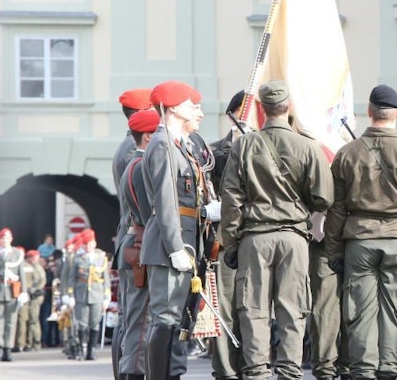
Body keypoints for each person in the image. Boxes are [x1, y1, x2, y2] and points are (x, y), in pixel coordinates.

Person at [323, 84, 397, 380]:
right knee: (396, 309)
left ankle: (364, 369)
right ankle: (389, 368)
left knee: (360, 311)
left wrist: (333, 251)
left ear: (369, 112)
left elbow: (336, 210)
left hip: (359, 241)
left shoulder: (347, 154)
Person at [221, 80, 335, 380]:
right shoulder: (308, 146)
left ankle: (257, 373)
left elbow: (231, 199)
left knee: (254, 311)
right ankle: (289, 372)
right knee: (292, 310)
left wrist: (230, 244)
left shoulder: (244, 145)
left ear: (262, 108)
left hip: (254, 237)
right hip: (294, 237)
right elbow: (324, 197)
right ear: (290, 107)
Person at [141, 80, 206, 380]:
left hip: (182, 241)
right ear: (174, 107)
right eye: (191, 105)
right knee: (166, 320)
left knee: (178, 321)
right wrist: (175, 246)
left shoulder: (178, 144)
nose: (196, 110)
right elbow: (165, 201)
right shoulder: (163, 144)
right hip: (172, 246)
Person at [115, 108, 160, 379]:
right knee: (141, 322)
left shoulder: (134, 163)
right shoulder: (141, 166)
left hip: (135, 244)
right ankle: (131, 372)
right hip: (141, 245)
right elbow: (149, 215)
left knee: (136, 320)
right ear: (147, 136)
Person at [208, 90, 246, 380]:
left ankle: (253, 367)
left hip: (258, 238)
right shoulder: (213, 153)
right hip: (224, 242)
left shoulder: (271, 148)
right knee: (225, 308)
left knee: (253, 309)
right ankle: (226, 370)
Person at [65, 229, 111, 361]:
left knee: (94, 323)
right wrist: (70, 295)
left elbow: (105, 278)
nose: (89, 246)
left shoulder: (101, 257)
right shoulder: (78, 258)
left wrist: (107, 297)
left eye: (91, 243)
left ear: (95, 243)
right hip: (81, 294)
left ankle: (92, 350)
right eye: (86, 244)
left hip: (97, 294)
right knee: (82, 323)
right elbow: (72, 278)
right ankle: (80, 349)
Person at [0, 228, 27, 362]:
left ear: (11, 239)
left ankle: (8, 349)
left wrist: (24, 292)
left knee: (11, 321)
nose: (5, 240)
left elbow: (21, 273)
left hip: (13, 290)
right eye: (2, 238)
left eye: (7, 238)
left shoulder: (17, 254)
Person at [16, 250, 46, 351]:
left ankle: (32, 342)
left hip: (34, 295)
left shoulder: (35, 267)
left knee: (31, 319)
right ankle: (30, 342)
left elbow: (40, 282)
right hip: (32, 294)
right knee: (30, 319)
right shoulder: (34, 267)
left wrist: (34, 290)